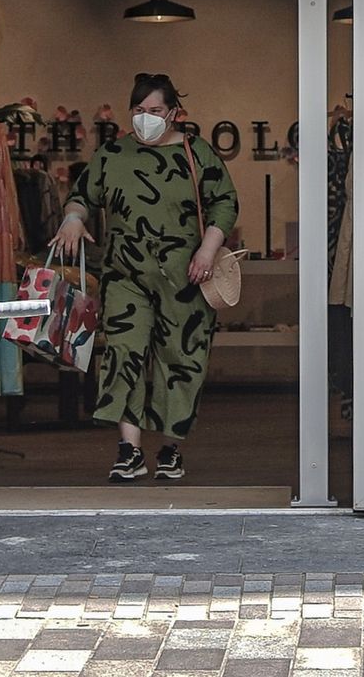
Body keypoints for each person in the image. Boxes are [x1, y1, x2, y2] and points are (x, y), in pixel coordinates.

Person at [52, 73, 238, 483]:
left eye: (154, 111)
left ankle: (170, 449)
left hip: (187, 276)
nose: (145, 118)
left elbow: (224, 203)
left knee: (181, 361)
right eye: (138, 111)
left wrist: (207, 249)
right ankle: (129, 450)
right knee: (123, 354)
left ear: (173, 113)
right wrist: (72, 218)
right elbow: (83, 194)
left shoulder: (197, 153)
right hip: (125, 275)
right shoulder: (112, 154)